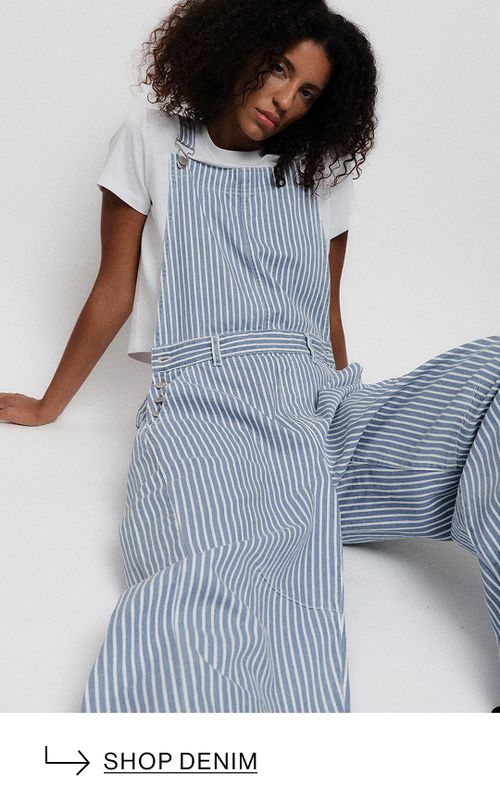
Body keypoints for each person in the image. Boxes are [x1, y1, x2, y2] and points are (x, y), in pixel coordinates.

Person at [1, 0, 498, 712]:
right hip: (212, 411)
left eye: (309, 92)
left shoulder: (321, 170)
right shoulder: (151, 141)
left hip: (318, 411)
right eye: (278, 69)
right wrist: (49, 406)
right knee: (216, 581)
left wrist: (337, 397)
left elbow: (326, 309)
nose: (285, 99)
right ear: (233, 49)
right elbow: (112, 290)